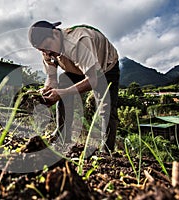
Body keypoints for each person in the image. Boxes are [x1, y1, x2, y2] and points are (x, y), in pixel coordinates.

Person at [28, 20, 120, 153]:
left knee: (106, 107)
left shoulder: (78, 43)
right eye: (42, 50)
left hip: (105, 67)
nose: (47, 53)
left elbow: (94, 79)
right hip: (77, 67)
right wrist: (46, 91)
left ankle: (107, 150)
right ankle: (63, 136)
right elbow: (51, 77)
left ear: (55, 34)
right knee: (63, 81)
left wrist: (62, 93)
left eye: (47, 47)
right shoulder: (47, 50)